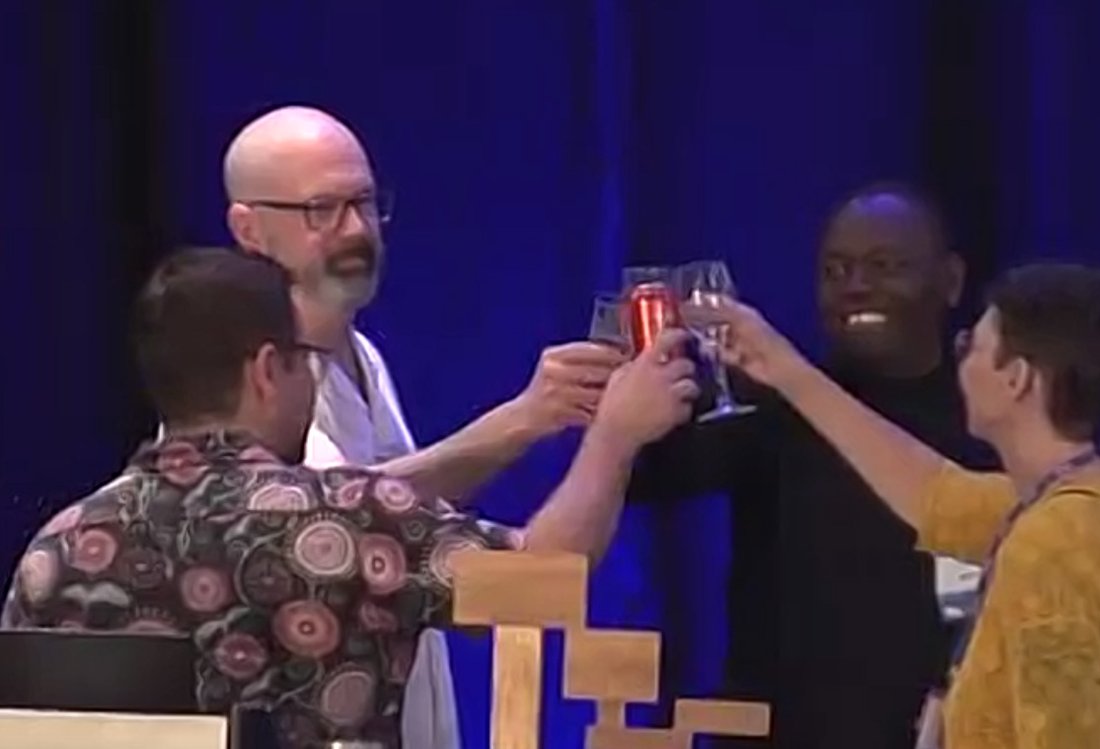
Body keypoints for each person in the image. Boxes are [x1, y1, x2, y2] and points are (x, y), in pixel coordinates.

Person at [2, 247, 699, 749]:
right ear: (268, 370)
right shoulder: (346, 519)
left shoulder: (55, 551)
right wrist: (616, 434)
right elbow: (546, 580)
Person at [221, 105, 626, 745]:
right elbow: (328, 524)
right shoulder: (242, 378)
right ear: (248, 229)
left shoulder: (365, 358)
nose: (354, 230)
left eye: (364, 202)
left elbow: (398, 507)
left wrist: (542, 415)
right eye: (321, 210)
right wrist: (537, 421)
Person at [692, 261, 1100, 748]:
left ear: (1016, 379)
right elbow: (938, 497)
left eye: (972, 346)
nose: (960, 361)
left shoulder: (1050, 546)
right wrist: (785, 369)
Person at [628, 183, 993, 748]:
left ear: (950, 281)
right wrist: (628, 411)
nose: (856, 287)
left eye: (884, 265)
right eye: (835, 270)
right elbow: (644, 478)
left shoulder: (988, 424)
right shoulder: (769, 409)